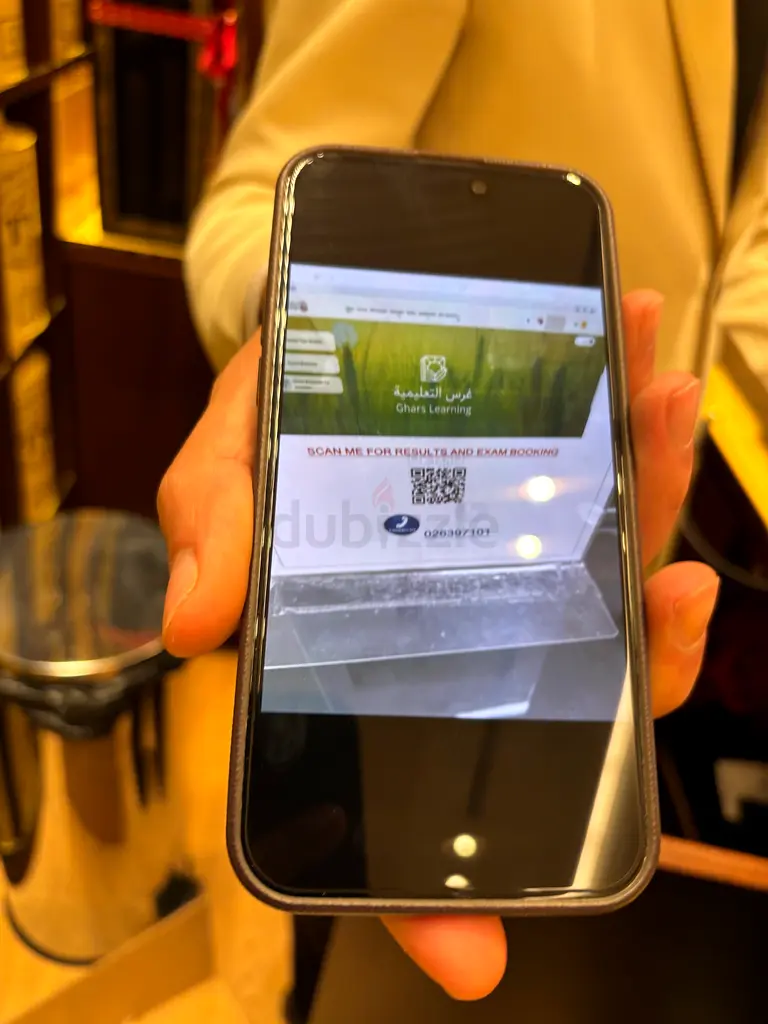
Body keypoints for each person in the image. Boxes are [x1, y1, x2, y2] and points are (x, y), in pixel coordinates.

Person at [159, 0, 766, 1011]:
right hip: (418, 544)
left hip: (638, 511)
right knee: (352, 905)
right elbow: (247, 207)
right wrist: (316, 347)